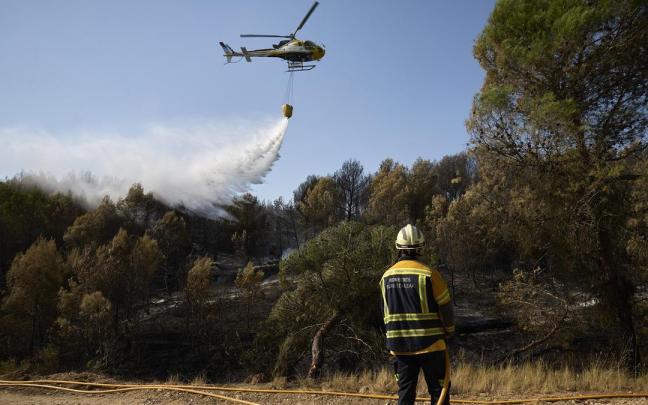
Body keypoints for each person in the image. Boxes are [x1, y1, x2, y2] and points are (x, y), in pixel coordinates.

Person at [380, 224, 455, 405]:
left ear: (398, 248)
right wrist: (449, 329)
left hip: (400, 347)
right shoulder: (429, 274)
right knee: (439, 392)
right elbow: (445, 306)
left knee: (405, 393)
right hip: (431, 345)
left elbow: (383, 314)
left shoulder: (385, 277)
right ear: (420, 248)